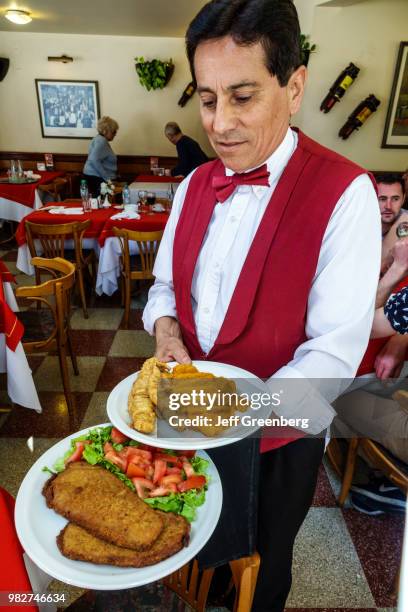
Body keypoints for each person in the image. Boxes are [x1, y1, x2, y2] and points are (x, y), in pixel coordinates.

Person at [143, 1, 380, 610]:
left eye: (242, 96)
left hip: (281, 441)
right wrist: (167, 332)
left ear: (294, 86)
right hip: (188, 414)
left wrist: (233, 414)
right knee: (188, 546)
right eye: (206, 99)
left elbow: (333, 355)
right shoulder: (195, 184)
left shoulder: (345, 192)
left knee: (263, 571)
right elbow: (165, 287)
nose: (219, 123)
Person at [83, 115, 118, 196]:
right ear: (106, 131)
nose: (115, 134)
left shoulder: (97, 139)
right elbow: (93, 160)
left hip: (92, 176)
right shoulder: (102, 142)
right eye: (113, 131)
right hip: (97, 178)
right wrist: (107, 179)